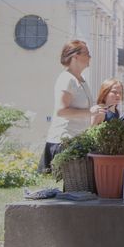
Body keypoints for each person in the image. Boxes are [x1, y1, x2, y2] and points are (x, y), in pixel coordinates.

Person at [40, 40, 100, 172]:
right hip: (63, 142)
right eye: (87, 53)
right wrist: (90, 112)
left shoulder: (81, 79)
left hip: (76, 141)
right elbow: (61, 111)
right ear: (75, 56)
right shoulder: (66, 79)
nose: (90, 57)